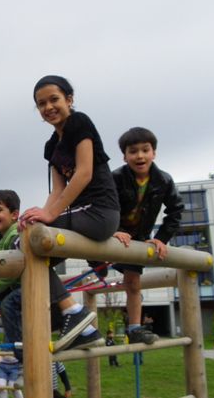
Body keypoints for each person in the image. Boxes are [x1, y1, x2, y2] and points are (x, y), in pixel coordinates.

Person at [19, 75, 120, 350]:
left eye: (54, 99)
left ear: (69, 99)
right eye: (41, 104)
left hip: (99, 211)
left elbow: (84, 173)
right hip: (79, 213)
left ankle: (73, 312)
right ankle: (75, 322)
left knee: (27, 241)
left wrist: (50, 215)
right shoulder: (51, 146)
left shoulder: (79, 122)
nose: (48, 107)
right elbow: (57, 189)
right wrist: (41, 213)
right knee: (28, 246)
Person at [112, 127, 183, 344]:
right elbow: (105, 205)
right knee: (97, 264)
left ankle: (134, 328)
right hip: (113, 233)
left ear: (154, 153)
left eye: (145, 150)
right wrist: (114, 229)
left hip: (138, 237)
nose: (140, 156)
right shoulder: (115, 178)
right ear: (124, 156)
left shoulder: (163, 180)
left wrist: (161, 238)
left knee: (133, 282)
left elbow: (176, 210)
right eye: (133, 151)